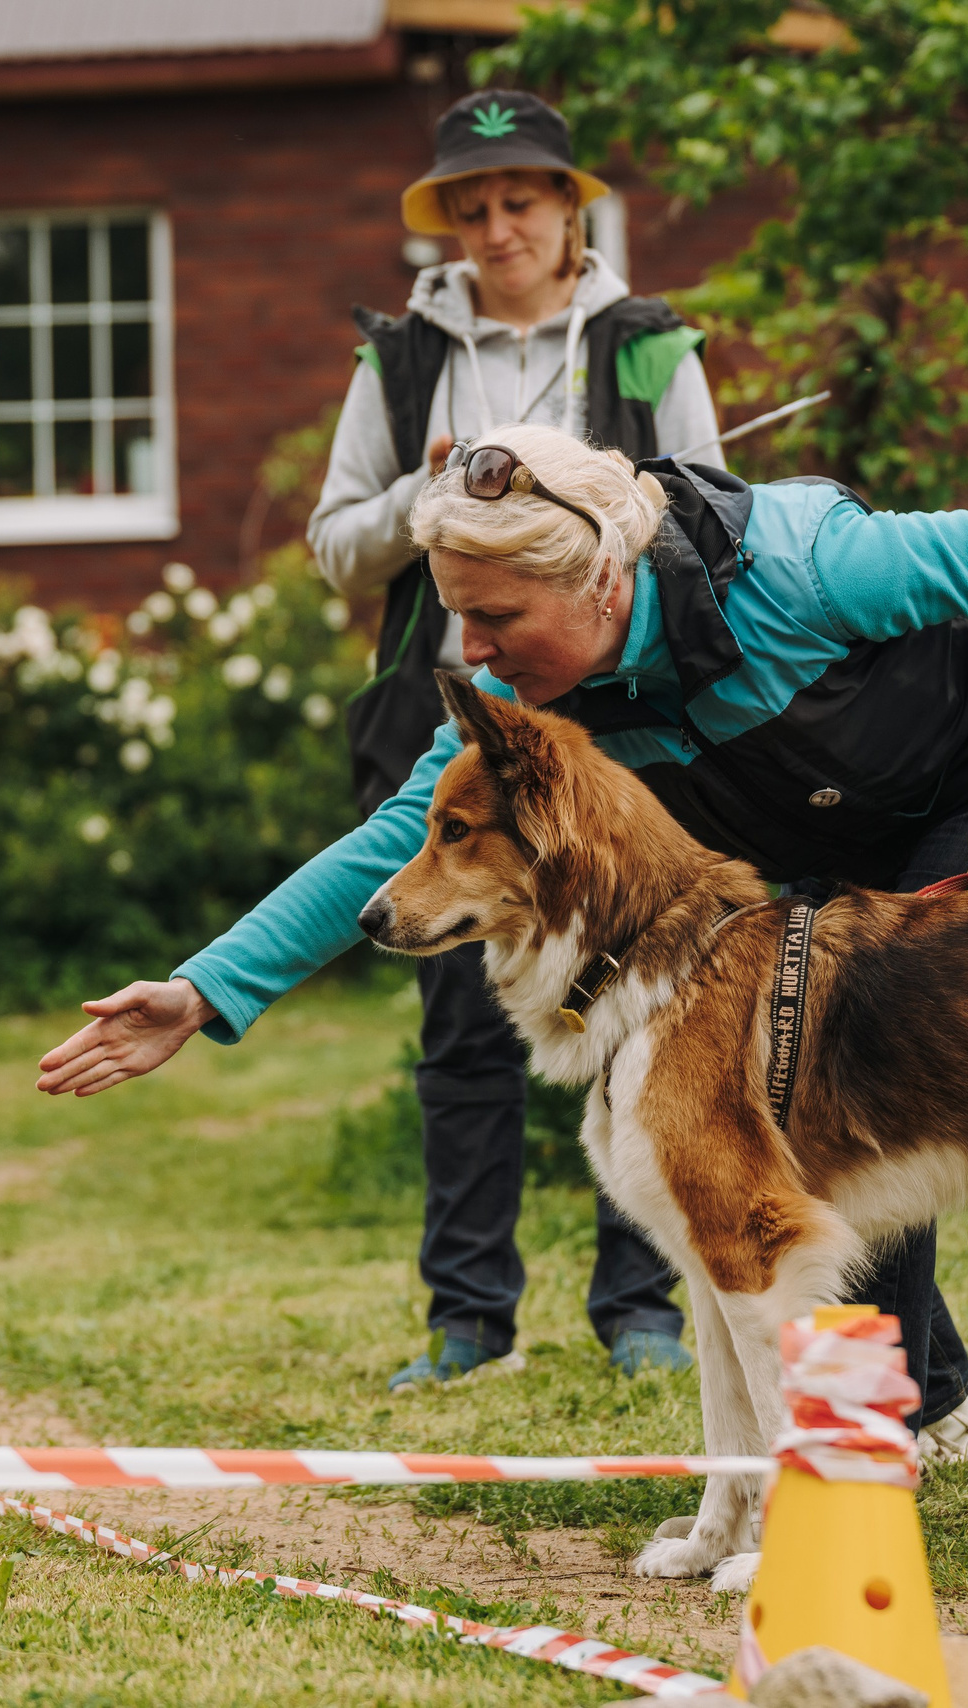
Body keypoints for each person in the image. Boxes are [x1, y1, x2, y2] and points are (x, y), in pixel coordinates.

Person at [39, 421, 968, 1463]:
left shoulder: (797, 566)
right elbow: (396, 839)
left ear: (601, 579)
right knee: (781, 1128)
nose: (475, 649)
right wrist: (206, 989)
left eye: (497, 615)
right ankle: (910, 1407)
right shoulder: (529, 710)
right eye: (458, 618)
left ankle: (880, 1425)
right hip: (815, 821)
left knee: (871, 1082)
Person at [303, 88, 727, 1392]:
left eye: (521, 201)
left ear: (568, 208)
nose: (498, 228)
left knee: (647, 1008)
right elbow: (333, 547)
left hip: (620, 728)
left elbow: (710, 516)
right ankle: (469, 1319)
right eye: (473, 207)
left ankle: (642, 1310)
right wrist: (423, 500)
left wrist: (607, 514)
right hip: (454, 723)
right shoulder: (403, 358)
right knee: (463, 1035)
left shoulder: (651, 348)